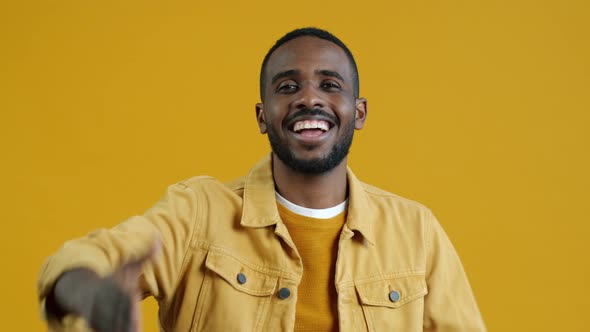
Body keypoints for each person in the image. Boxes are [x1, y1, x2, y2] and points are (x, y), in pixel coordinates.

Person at [38, 27, 486, 332]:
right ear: (262, 115)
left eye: (330, 85)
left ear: (360, 112)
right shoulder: (199, 211)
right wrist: (88, 292)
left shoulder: (416, 230)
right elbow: (81, 258)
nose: (310, 97)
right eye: (287, 87)